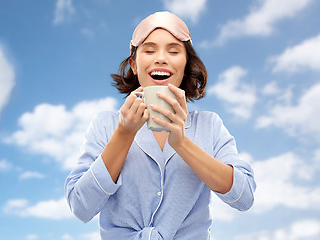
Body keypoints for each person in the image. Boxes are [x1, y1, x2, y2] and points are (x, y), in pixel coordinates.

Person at [64, 11, 256, 240]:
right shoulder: (106, 125)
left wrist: (183, 144)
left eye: (174, 51)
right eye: (150, 50)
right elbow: (80, 207)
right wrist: (124, 134)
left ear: (186, 64)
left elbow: (244, 197)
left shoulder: (209, 125)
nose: (161, 58)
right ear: (133, 65)